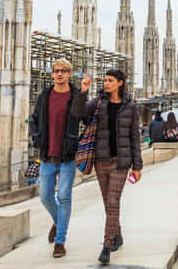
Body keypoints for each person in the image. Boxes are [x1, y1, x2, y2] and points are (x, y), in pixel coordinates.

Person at [80, 67, 143, 265]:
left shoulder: (131, 107)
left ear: (120, 83)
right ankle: (118, 235)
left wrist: (137, 166)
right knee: (109, 203)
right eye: (105, 80)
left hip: (121, 162)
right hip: (101, 160)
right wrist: (83, 92)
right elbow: (79, 114)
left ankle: (107, 246)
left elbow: (135, 137)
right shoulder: (98, 102)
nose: (106, 83)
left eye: (110, 80)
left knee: (113, 201)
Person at [29, 58, 91, 259]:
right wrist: (36, 138)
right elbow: (34, 119)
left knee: (64, 197)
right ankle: (57, 222)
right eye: (56, 70)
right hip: (47, 155)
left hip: (67, 156)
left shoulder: (74, 96)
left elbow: (86, 119)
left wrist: (83, 93)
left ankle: (60, 241)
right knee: (46, 197)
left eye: (63, 70)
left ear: (69, 73)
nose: (60, 74)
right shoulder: (45, 96)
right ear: (52, 73)